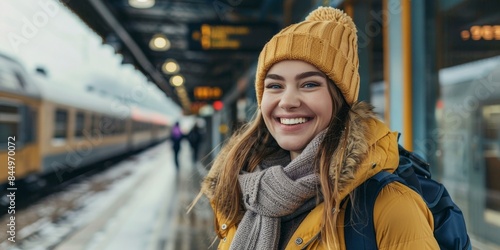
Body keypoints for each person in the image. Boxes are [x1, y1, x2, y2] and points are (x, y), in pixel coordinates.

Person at [194, 6, 439, 250]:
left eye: (309, 84)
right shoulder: (243, 193)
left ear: (339, 99)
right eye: (275, 86)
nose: (288, 101)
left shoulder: (390, 205)